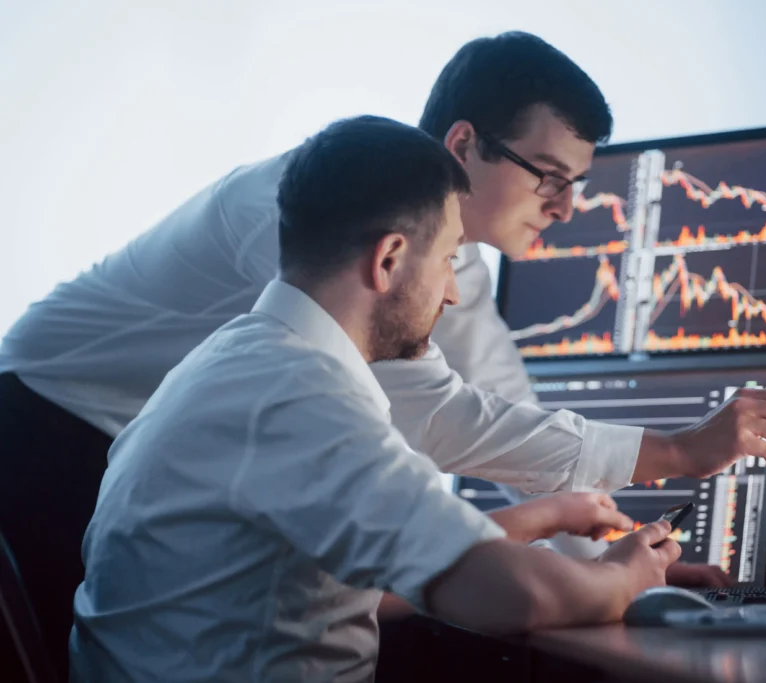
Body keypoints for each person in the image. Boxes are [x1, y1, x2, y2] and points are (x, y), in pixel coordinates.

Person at [0, 30, 766, 668]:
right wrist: (623, 553)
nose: (567, 207)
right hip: (52, 420)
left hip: (162, 467)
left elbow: (479, 414)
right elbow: (422, 421)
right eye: (550, 177)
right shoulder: (304, 249)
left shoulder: (395, 259)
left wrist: (598, 556)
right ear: (463, 146)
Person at [68, 115, 685, 682]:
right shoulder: (302, 397)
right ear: (389, 259)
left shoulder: (232, 359)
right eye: (448, 259)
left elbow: (355, 584)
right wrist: (625, 578)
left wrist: (538, 519)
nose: (453, 293)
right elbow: (514, 595)